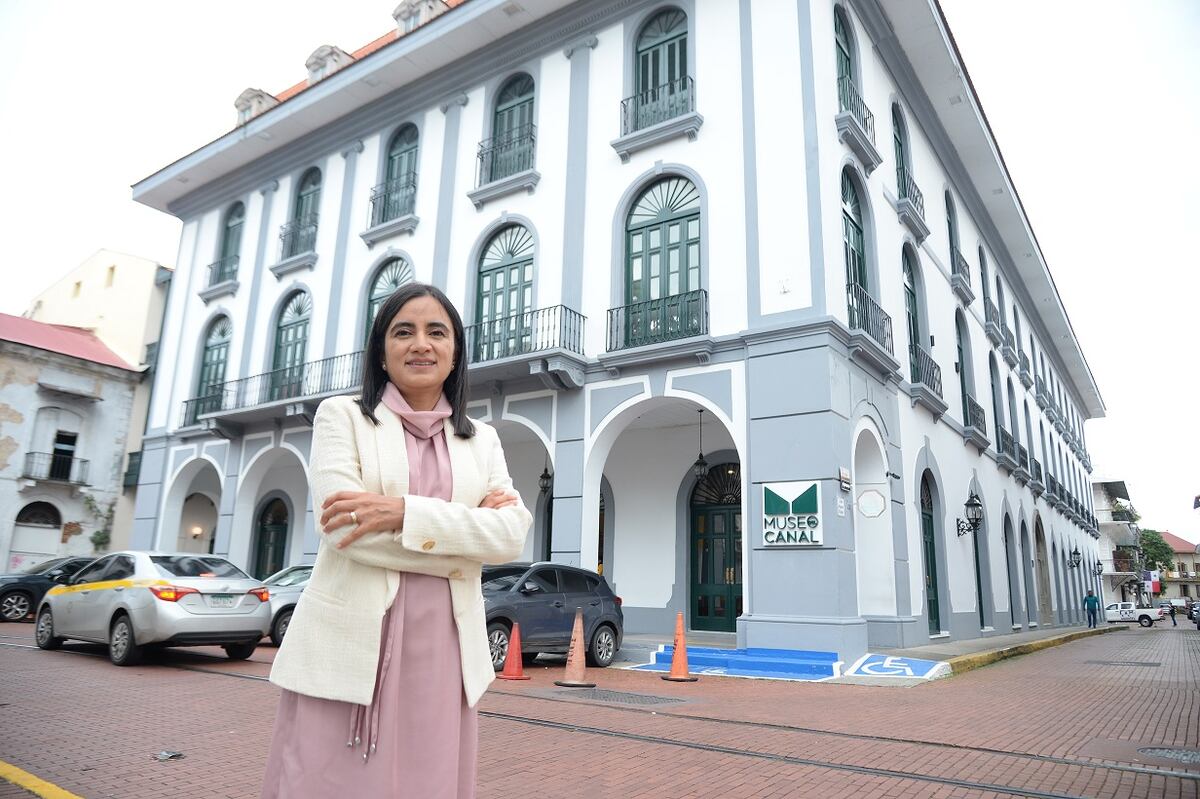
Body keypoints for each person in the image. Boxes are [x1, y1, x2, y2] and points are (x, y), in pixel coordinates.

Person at [260, 282, 532, 798]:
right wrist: (463, 540)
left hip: (444, 647)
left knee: (426, 780)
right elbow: (347, 531)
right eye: (403, 331)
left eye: (437, 332)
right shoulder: (343, 418)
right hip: (351, 640)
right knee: (329, 780)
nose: (421, 344)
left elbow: (510, 538)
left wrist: (400, 512)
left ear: (455, 354)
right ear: (382, 353)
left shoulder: (482, 440)